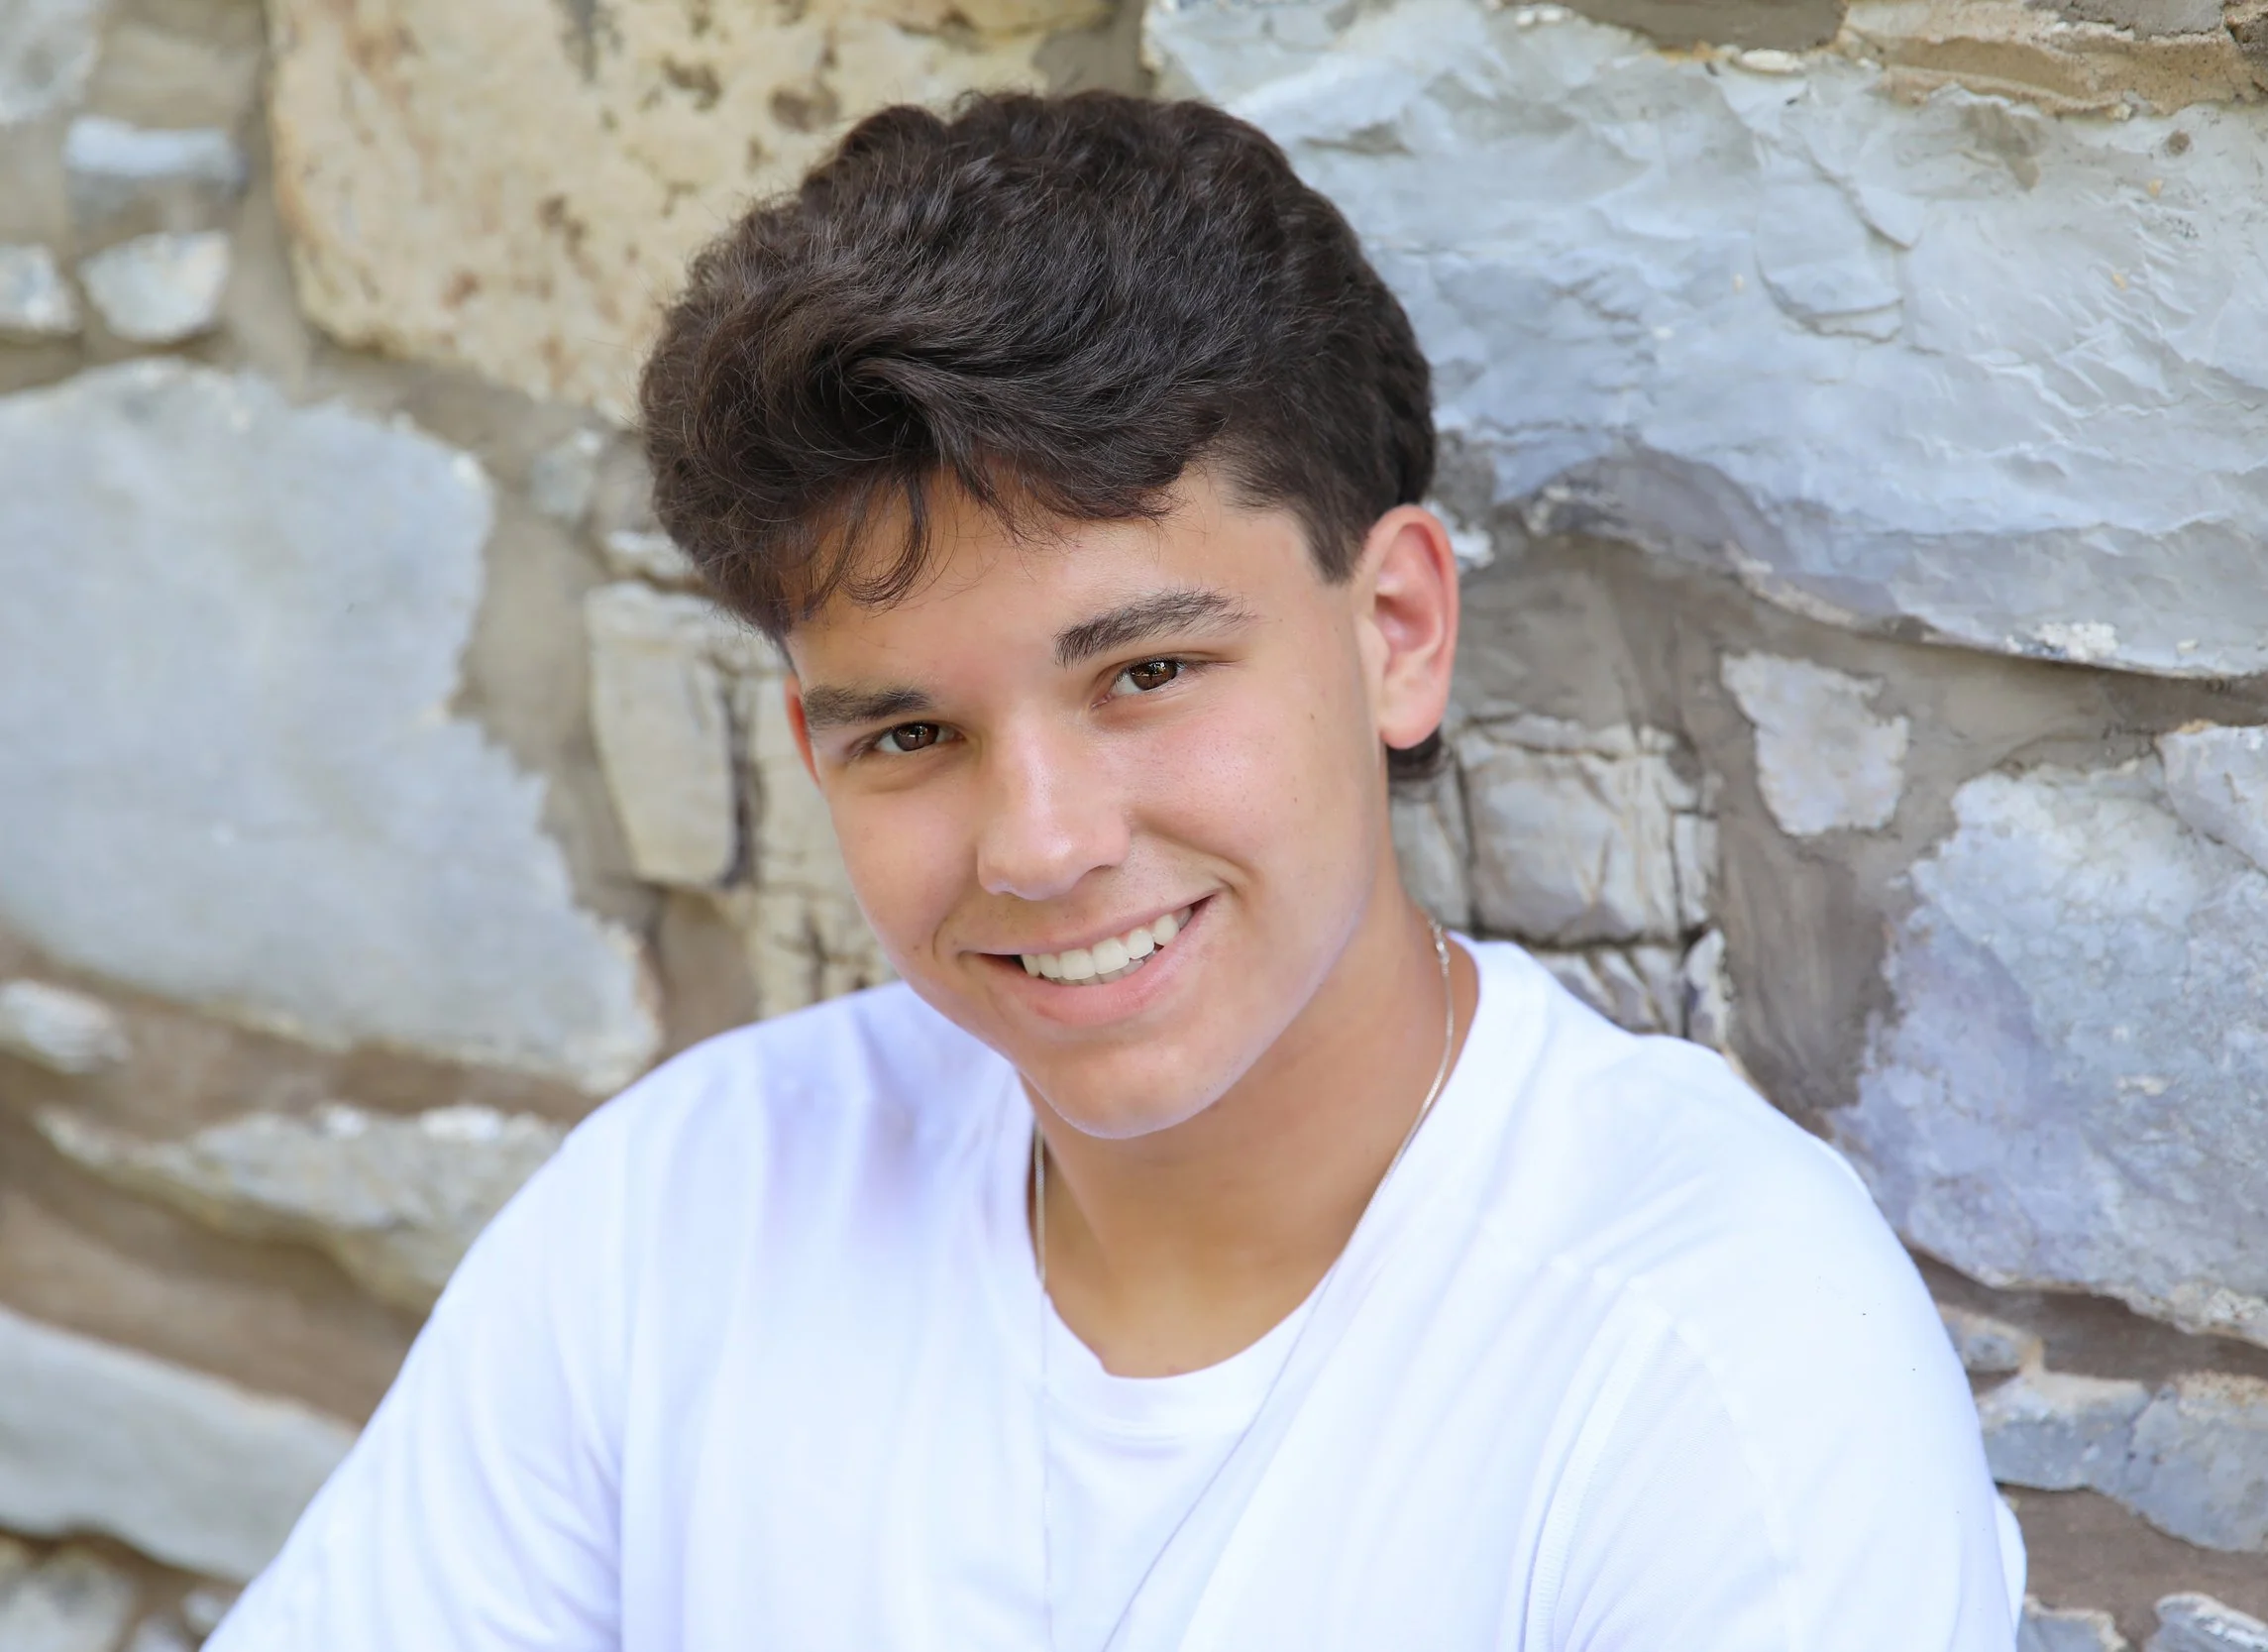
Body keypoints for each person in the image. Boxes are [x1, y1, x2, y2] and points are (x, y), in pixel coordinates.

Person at [211, 91, 2022, 1650]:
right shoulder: (684, 1215)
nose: (1043, 842)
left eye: (1144, 673)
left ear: (1393, 626)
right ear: (812, 754)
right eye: (908, 733)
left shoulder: (1708, 1365)